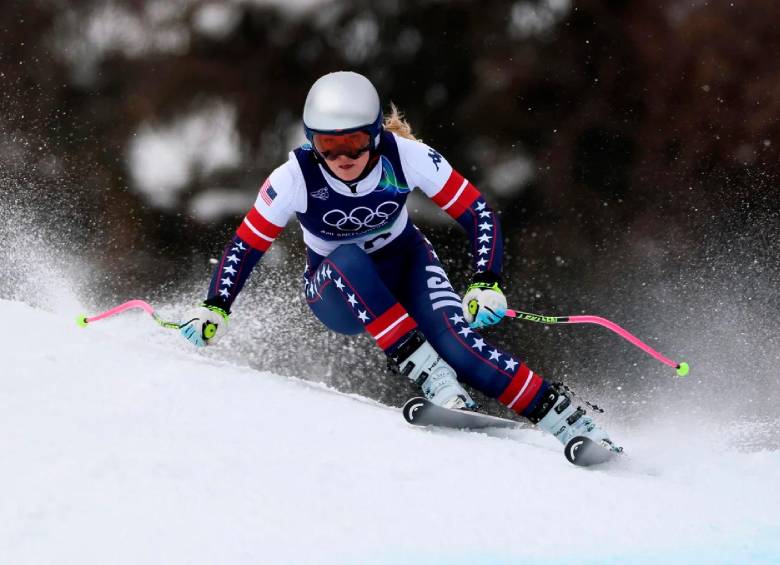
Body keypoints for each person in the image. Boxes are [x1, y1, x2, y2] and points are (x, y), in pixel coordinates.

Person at [179, 71, 621, 454]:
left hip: (406, 262)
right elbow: (246, 245)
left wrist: (486, 280)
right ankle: (433, 379)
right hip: (335, 289)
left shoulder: (406, 156)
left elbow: (476, 211)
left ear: (374, 134)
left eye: (353, 143)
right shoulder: (292, 178)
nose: (342, 158)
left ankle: (571, 421)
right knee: (349, 256)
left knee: (459, 344)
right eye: (327, 147)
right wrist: (215, 305)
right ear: (311, 142)